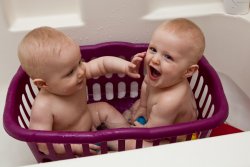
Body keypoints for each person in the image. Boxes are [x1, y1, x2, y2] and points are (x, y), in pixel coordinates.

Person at [17, 26, 143, 155]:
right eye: (70, 72)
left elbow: (102, 64)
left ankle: (128, 133)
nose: (81, 71)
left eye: (79, 62)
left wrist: (126, 67)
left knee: (104, 108)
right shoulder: (44, 106)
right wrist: (74, 147)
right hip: (70, 142)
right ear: (43, 84)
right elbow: (42, 144)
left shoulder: (78, 73)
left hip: (88, 119)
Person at [123, 18, 205, 149]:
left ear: (188, 71)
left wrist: (141, 129)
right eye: (153, 49)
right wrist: (143, 107)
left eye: (168, 57)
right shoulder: (160, 77)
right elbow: (145, 83)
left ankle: (112, 142)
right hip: (159, 118)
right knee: (136, 107)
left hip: (177, 140)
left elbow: (152, 135)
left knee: (135, 144)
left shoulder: (170, 100)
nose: (155, 59)